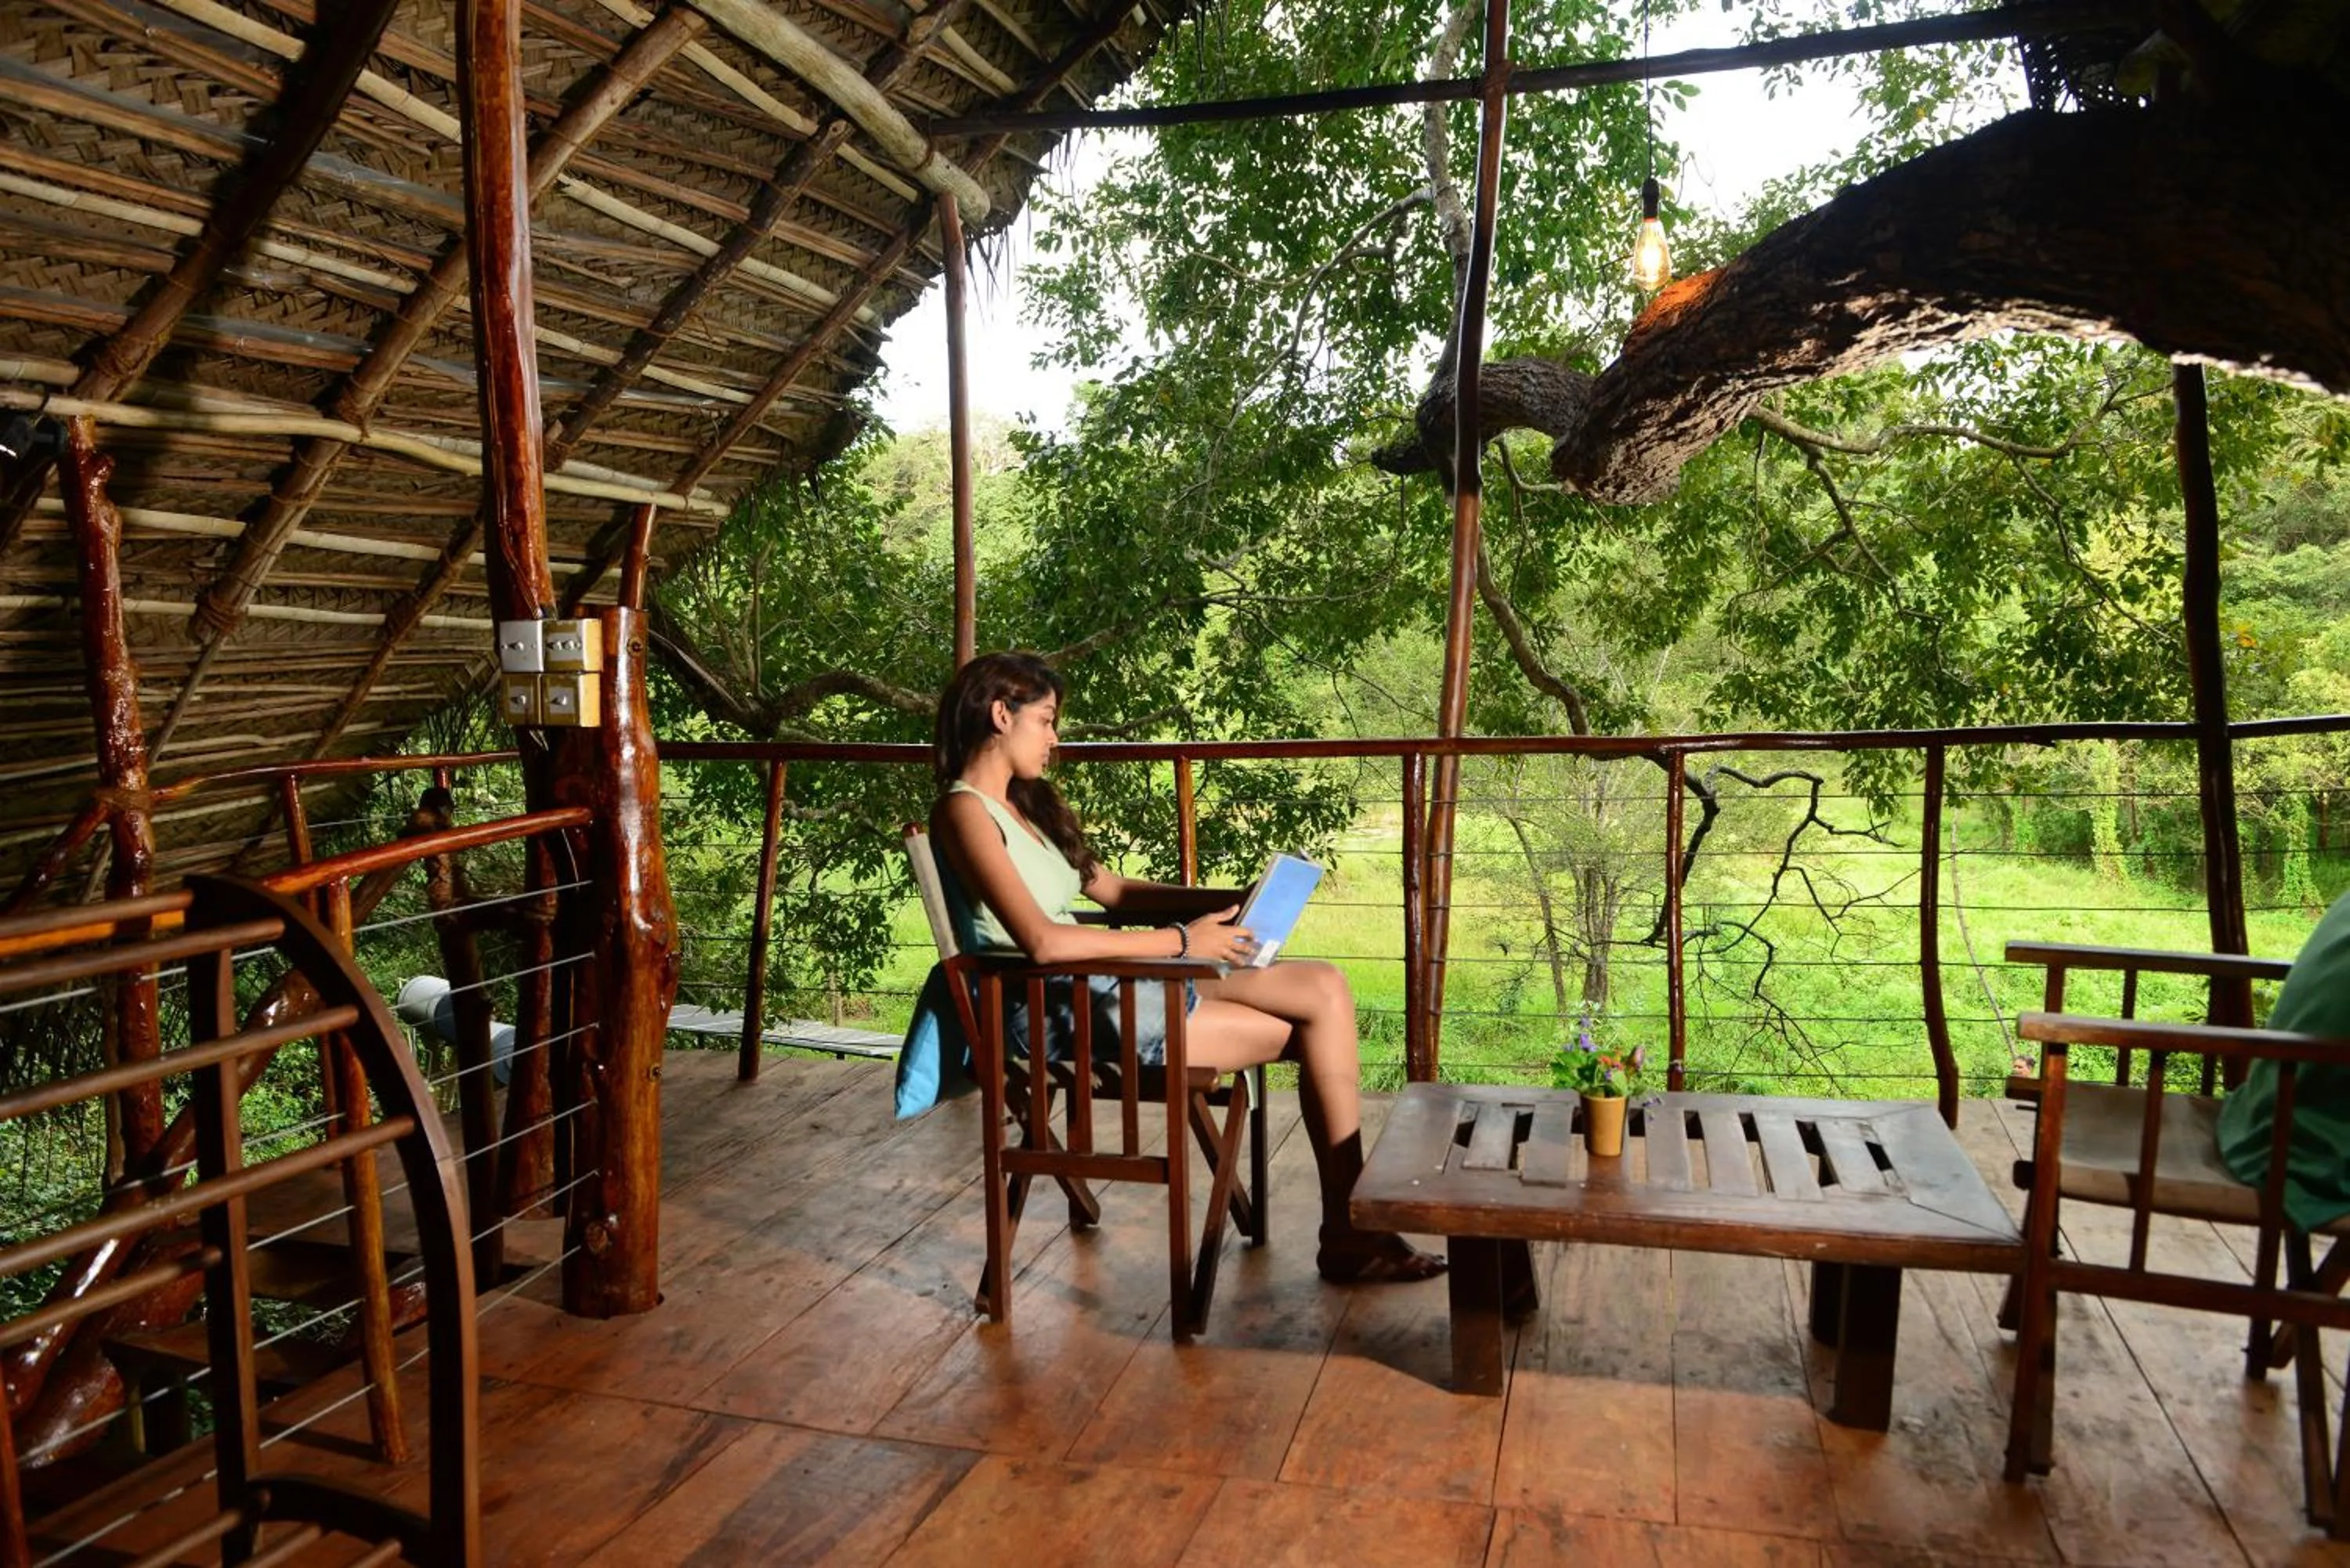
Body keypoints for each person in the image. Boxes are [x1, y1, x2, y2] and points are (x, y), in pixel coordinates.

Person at [930, 651, 1444, 1284]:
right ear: (1001, 715)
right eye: (1046, 719)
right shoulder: (963, 812)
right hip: (1053, 1006)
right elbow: (1042, 942)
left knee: (1324, 985)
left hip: (1102, 986)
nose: (1055, 738)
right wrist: (1182, 941)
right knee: (1310, 1033)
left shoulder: (1026, 807)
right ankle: (1348, 1231)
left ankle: (1351, 1227)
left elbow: (1115, 893)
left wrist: (1227, 902)